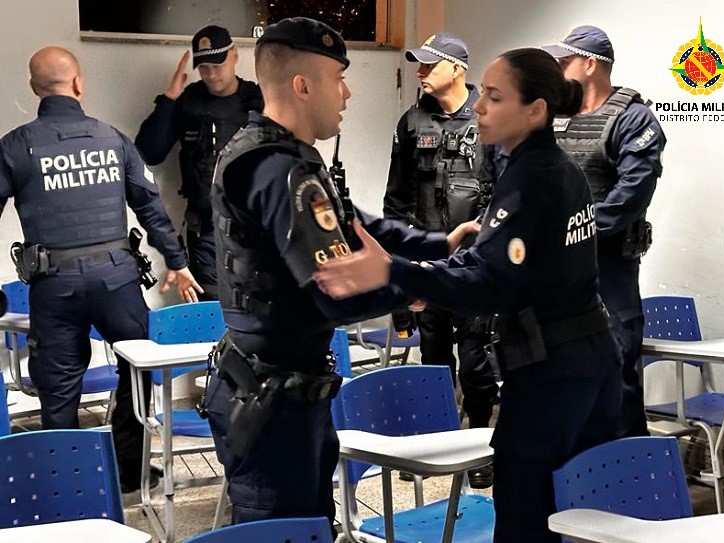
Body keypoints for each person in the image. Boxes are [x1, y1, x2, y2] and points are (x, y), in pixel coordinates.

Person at [315, 47, 622, 542]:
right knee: (582, 515)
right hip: (586, 361)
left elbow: (488, 285)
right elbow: (494, 263)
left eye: (495, 97)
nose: (478, 105)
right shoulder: (558, 169)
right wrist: (429, 264)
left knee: (528, 513)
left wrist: (395, 272)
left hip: (552, 371)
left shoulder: (530, 179)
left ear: (535, 110)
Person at [202, 17, 475, 531]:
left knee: (310, 523)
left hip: (286, 387)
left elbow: (354, 223)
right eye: (338, 78)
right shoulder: (277, 170)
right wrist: (411, 288)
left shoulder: (279, 154)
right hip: (269, 401)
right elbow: (336, 293)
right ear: (302, 86)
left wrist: (440, 244)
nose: (347, 93)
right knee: (283, 531)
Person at [0, 46, 201, 493]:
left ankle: (66, 485)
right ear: (78, 83)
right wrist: (178, 261)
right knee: (137, 369)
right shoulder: (112, 139)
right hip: (117, 281)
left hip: (53, 285)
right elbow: (150, 206)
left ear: (34, 88)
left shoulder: (15, 146)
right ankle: (129, 472)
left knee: (58, 387)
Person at [385, 32, 499, 489]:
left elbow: (505, 194)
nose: (419, 72)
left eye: (429, 65)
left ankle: (480, 445)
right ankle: (436, 444)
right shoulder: (411, 123)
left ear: (458, 69)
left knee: (475, 360)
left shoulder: (489, 119)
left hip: (475, 268)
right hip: (428, 265)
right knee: (433, 359)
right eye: (419, 64)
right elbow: (395, 200)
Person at [543, 26, 666, 438]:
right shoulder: (554, 117)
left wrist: (570, 230)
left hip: (606, 269)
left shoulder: (633, 118)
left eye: (564, 61)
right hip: (554, 272)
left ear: (590, 64)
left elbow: (631, 193)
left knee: (615, 376)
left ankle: (630, 470)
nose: (557, 68)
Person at [135, 25, 264, 300]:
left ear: (234, 55)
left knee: (259, 308)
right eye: (204, 67)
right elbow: (149, 152)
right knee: (213, 311)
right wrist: (169, 99)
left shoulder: (258, 101)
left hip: (256, 229)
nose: (211, 74)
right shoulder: (189, 102)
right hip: (206, 231)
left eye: (218, 64)